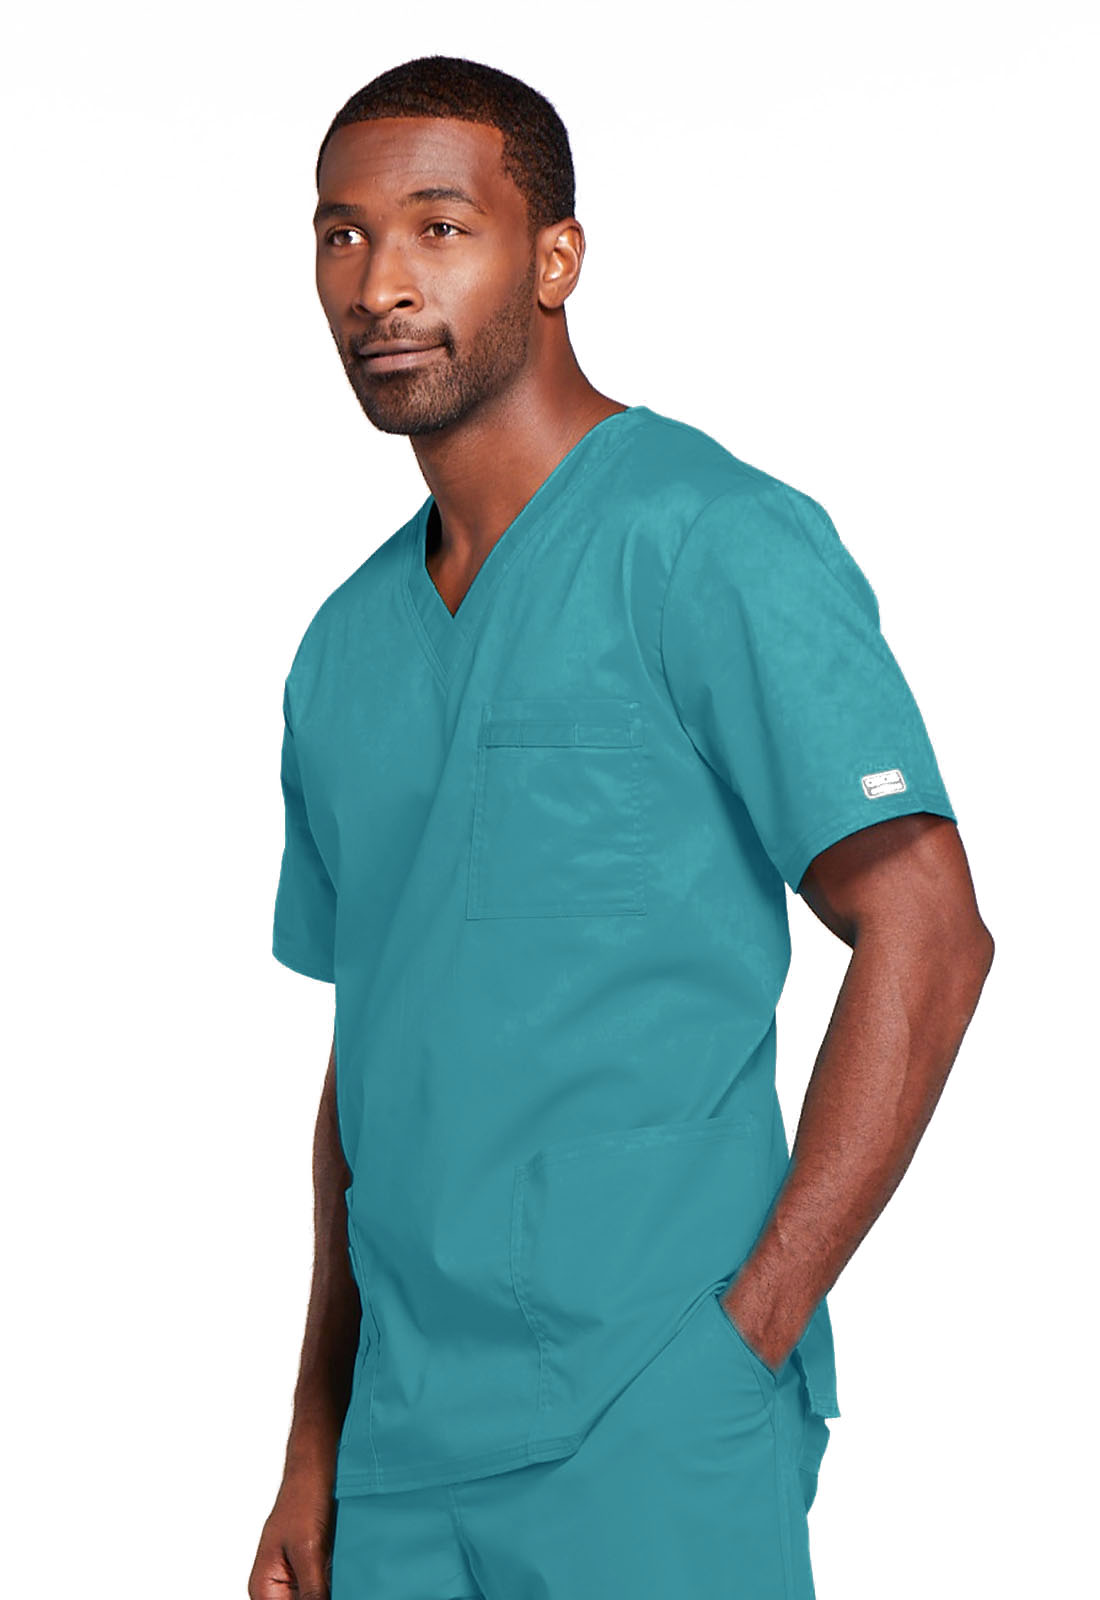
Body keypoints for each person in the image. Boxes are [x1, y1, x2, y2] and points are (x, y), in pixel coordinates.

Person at [248, 53, 994, 1600]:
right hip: (397, 1459)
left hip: (651, 1424)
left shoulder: (709, 541)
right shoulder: (340, 651)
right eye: (342, 235)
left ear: (556, 259)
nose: (380, 285)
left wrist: (749, 1332)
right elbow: (368, 1062)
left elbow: (928, 931)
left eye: (441, 227)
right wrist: (314, 1442)